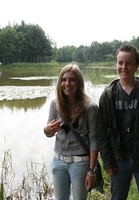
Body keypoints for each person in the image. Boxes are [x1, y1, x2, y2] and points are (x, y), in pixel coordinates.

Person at [98, 44, 139, 200]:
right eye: (120, 63)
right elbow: (102, 132)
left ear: (136, 66)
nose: (124, 67)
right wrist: (107, 161)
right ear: (116, 64)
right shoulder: (108, 95)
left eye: (128, 63)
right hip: (118, 160)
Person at [43, 64, 99, 200]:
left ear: (79, 82)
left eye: (72, 80)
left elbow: (94, 140)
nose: (67, 83)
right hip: (58, 161)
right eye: (64, 79)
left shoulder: (90, 108)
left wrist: (91, 171)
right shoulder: (55, 104)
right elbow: (48, 132)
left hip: (80, 163)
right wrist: (47, 130)